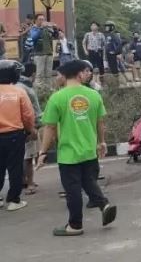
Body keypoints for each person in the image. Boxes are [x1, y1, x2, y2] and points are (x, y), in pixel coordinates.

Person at [36, 60, 117, 236]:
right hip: (89, 150)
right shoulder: (94, 95)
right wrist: (101, 142)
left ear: (65, 76)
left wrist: (42, 152)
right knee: (89, 181)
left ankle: (75, 225)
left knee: (72, 189)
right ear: (80, 74)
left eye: (58, 75)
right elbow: (100, 122)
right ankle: (104, 205)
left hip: (68, 153)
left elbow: (49, 128)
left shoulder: (57, 97)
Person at [0, 60, 36, 211]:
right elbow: (28, 116)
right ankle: (14, 200)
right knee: (15, 168)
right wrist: (29, 131)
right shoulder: (19, 92)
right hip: (14, 135)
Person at [17, 63, 42, 196]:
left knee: (21, 155)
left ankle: (23, 181)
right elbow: (29, 110)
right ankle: (30, 183)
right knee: (28, 156)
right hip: (27, 126)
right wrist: (32, 127)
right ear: (33, 74)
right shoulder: (25, 88)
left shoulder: (17, 85)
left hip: (17, 127)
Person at [30, 14, 57, 89]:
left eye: (43, 19)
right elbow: (33, 38)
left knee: (48, 73)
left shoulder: (47, 29)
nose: (42, 21)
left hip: (49, 53)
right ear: (35, 20)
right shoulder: (33, 29)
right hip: (39, 54)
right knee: (40, 74)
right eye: (40, 19)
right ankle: (39, 91)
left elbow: (55, 36)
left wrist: (55, 29)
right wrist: (41, 28)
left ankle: (48, 90)